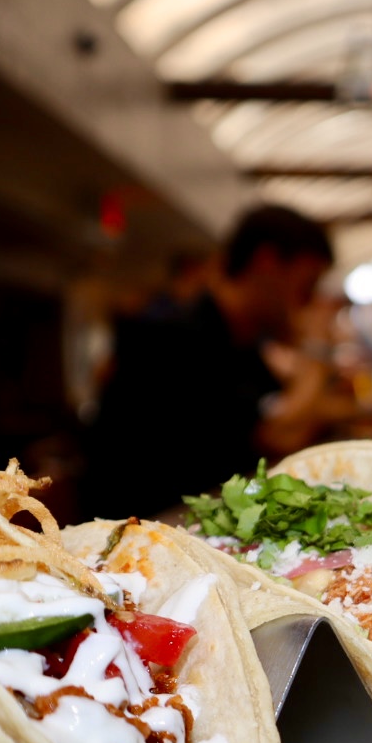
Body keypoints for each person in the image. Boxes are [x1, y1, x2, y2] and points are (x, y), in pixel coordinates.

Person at [83, 204, 334, 518]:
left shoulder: (242, 342)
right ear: (267, 262)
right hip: (144, 531)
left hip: (199, 522)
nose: (308, 302)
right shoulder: (177, 338)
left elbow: (288, 422)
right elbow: (277, 437)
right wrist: (316, 348)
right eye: (307, 286)